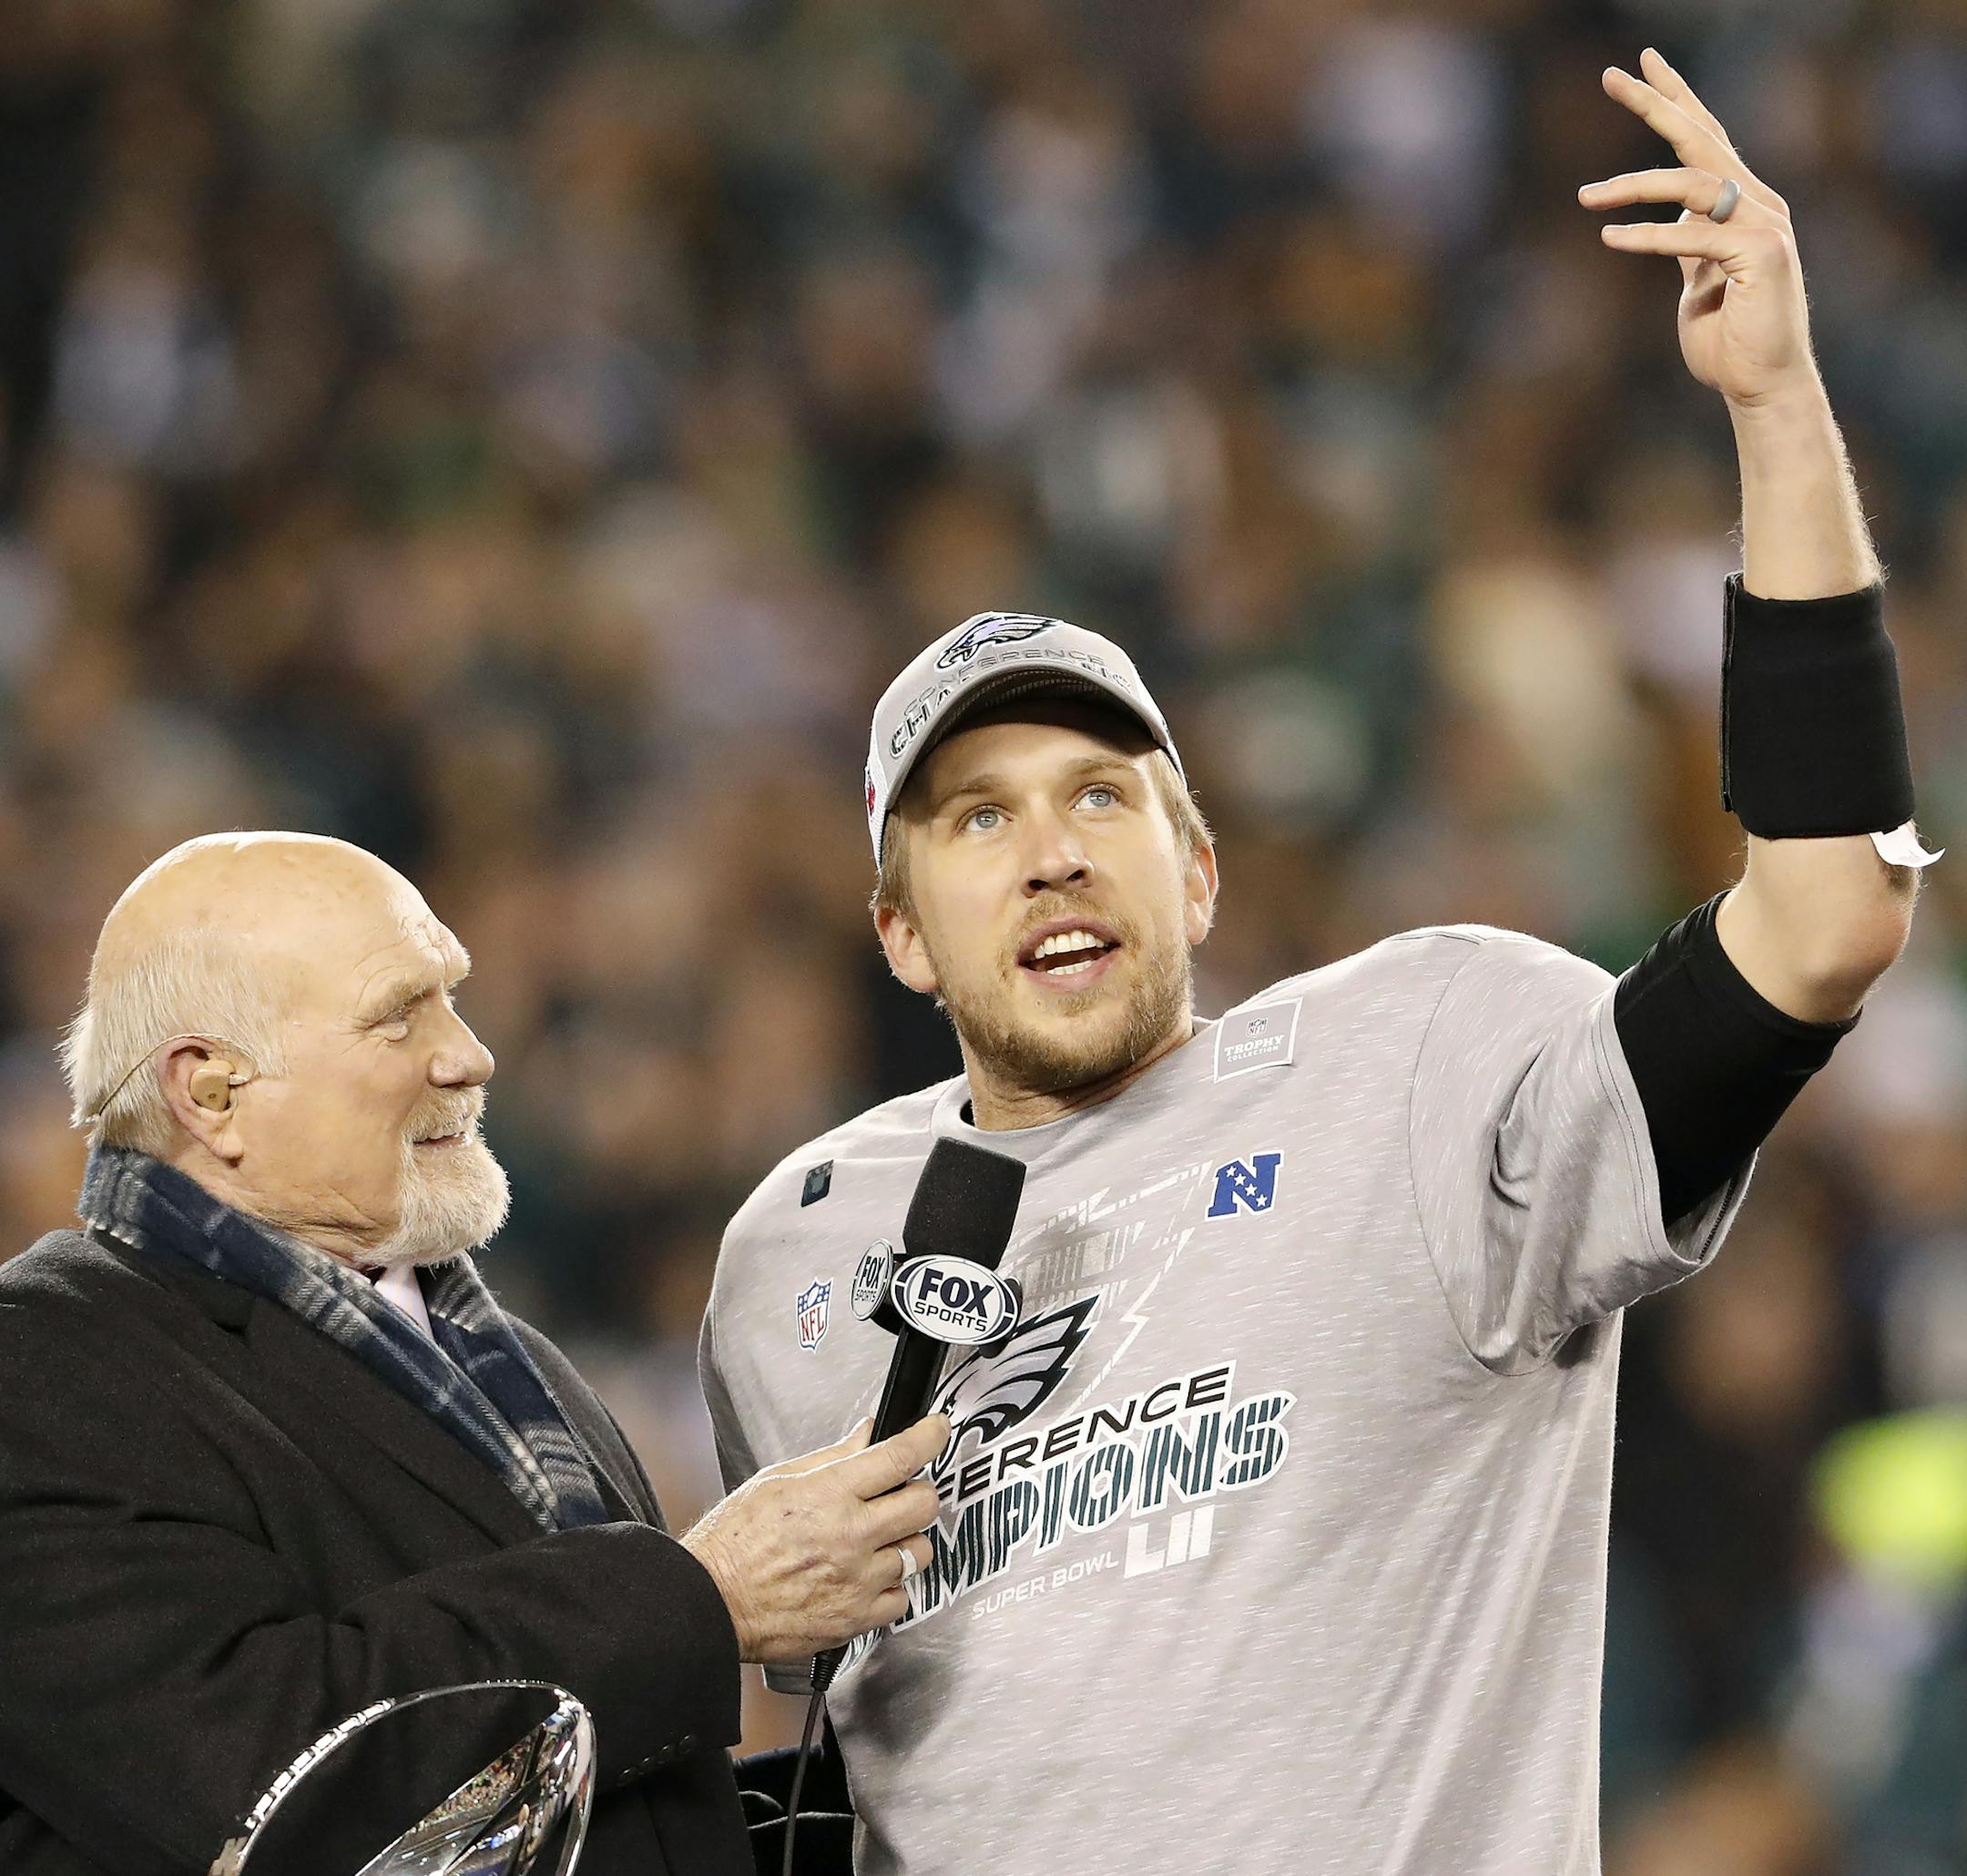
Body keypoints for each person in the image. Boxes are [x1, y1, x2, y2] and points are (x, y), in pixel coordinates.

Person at [698, 52, 1935, 1876]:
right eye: (972, 818)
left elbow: (1825, 917)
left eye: (1100, 795)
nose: (1048, 845)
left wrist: (1775, 409)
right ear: (897, 929)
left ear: (1196, 869)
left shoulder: (1429, 1055)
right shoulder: (794, 1254)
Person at [0, 831, 950, 1876]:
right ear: (212, 1089)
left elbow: (575, 1803)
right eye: (399, 1016)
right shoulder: (47, 1360)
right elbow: (260, 1782)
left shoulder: (513, 1359)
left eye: (450, 998)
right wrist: (704, 1596)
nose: (468, 1053)